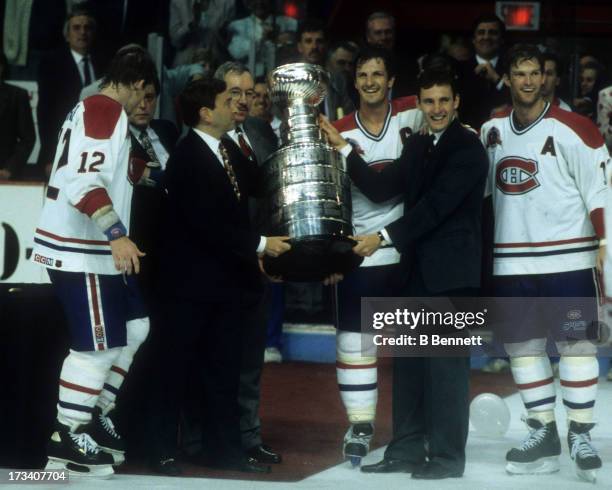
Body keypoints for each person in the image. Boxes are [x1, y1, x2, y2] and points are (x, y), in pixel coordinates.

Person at [321, 65, 489, 479]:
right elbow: (382, 187)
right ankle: (406, 450)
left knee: (445, 370)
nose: (435, 109)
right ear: (419, 104)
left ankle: (448, 459)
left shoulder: (467, 148)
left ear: (456, 103)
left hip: (450, 274)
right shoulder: (418, 146)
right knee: (411, 365)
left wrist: (382, 236)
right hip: (416, 270)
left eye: (443, 101)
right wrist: (344, 149)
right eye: (428, 102)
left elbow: (434, 209)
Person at [147, 77, 290, 475]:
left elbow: (259, 184)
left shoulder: (226, 148)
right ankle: (160, 451)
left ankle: (224, 450)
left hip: (223, 286)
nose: (237, 104)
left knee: (222, 372)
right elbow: (207, 224)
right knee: (175, 371)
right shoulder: (188, 156)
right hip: (188, 289)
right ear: (206, 113)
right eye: (228, 99)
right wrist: (262, 244)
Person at [480, 44, 607, 483]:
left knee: (577, 348)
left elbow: (601, 191)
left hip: (568, 261)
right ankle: (545, 432)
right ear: (509, 78)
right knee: (523, 349)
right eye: (520, 74)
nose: (528, 81)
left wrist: (606, 241)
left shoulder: (577, 128)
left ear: (546, 77)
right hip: (511, 263)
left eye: (535, 73)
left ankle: (580, 434)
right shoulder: (490, 130)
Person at [30, 46, 158, 479]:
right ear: (138, 84)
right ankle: (67, 434)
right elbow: (84, 181)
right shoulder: (105, 109)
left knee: (136, 326)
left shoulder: (91, 107)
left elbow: (96, 169)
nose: (145, 102)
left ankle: (93, 411)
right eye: (146, 92)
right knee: (96, 346)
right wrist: (117, 235)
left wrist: (139, 171)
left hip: (88, 247)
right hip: (81, 247)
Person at [331, 46, 423, 466]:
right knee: (355, 342)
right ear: (355, 82)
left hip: (406, 249)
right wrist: (329, 255)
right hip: (361, 251)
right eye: (362, 75)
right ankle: (361, 423)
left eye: (377, 74)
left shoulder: (414, 116)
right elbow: (329, 199)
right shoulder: (337, 130)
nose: (369, 81)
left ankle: (418, 429)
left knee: (415, 347)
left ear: (391, 81)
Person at [214, 61, 283, 465]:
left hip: (259, 265)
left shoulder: (259, 132)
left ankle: (249, 435)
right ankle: (212, 437)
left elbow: (274, 195)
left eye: (247, 93)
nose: (242, 100)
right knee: (217, 357)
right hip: (220, 266)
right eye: (233, 93)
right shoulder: (204, 136)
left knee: (251, 360)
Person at [37, 4, 102, 179]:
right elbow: (45, 114)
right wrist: (52, 156)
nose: (82, 32)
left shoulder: (104, 63)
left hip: (95, 151)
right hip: (61, 151)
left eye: (87, 28)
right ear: (67, 34)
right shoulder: (51, 63)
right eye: (76, 27)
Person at [456, 14, 508, 129]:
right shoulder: (459, 69)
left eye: (492, 33)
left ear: (501, 39)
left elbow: (517, 100)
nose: (486, 37)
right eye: (481, 32)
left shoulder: (510, 68)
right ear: (474, 40)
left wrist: (497, 79)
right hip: (469, 136)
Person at [296, 19, 354, 121]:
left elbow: (349, 116)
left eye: (319, 41)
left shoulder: (338, 81)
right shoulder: (289, 80)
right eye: (308, 41)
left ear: (326, 45)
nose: (314, 47)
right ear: (300, 46)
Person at [227, 0, 297, 77]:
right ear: (248, 3)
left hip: (280, 77)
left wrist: (282, 40)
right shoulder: (238, 25)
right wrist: (261, 39)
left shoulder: (289, 24)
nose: (259, 2)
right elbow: (236, 53)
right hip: (250, 78)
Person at [0, 53, 35, 180]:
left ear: (1, 67)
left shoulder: (17, 95)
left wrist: (10, 169)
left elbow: (28, 139)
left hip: (4, 175)